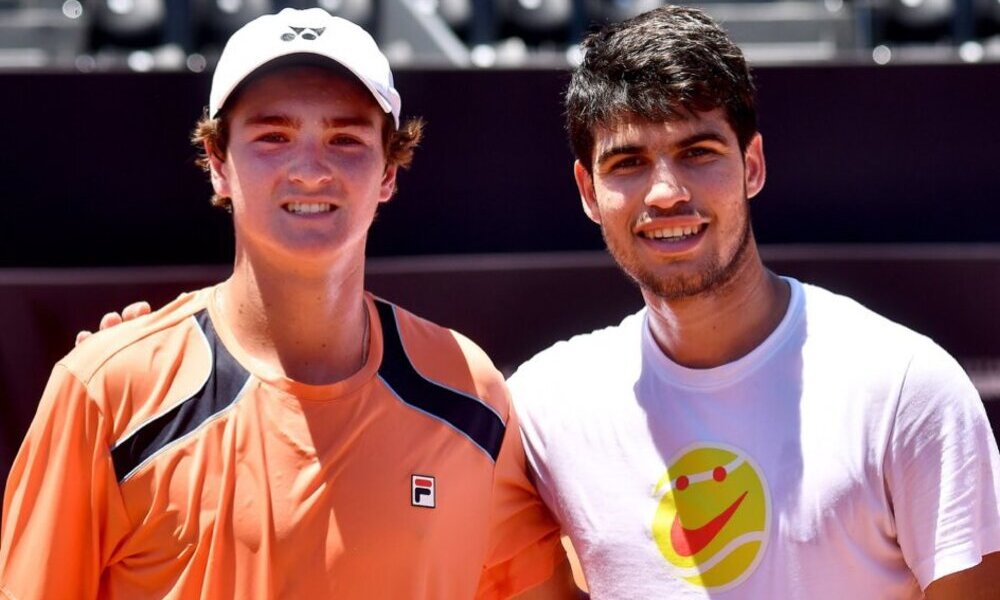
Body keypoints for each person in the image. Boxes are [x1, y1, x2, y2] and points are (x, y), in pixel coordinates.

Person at [0, 8, 577, 599]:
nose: (310, 169)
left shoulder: (469, 392)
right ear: (219, 163)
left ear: (389, 171)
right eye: (274, 136)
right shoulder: (105, 391)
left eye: (345, 138)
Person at [506, 5, 1000, 598]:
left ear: (753, 165)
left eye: (698, 152)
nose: (666, 192)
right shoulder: (543, 408)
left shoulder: (904, 389)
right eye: (629, 162)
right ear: (589, 191)